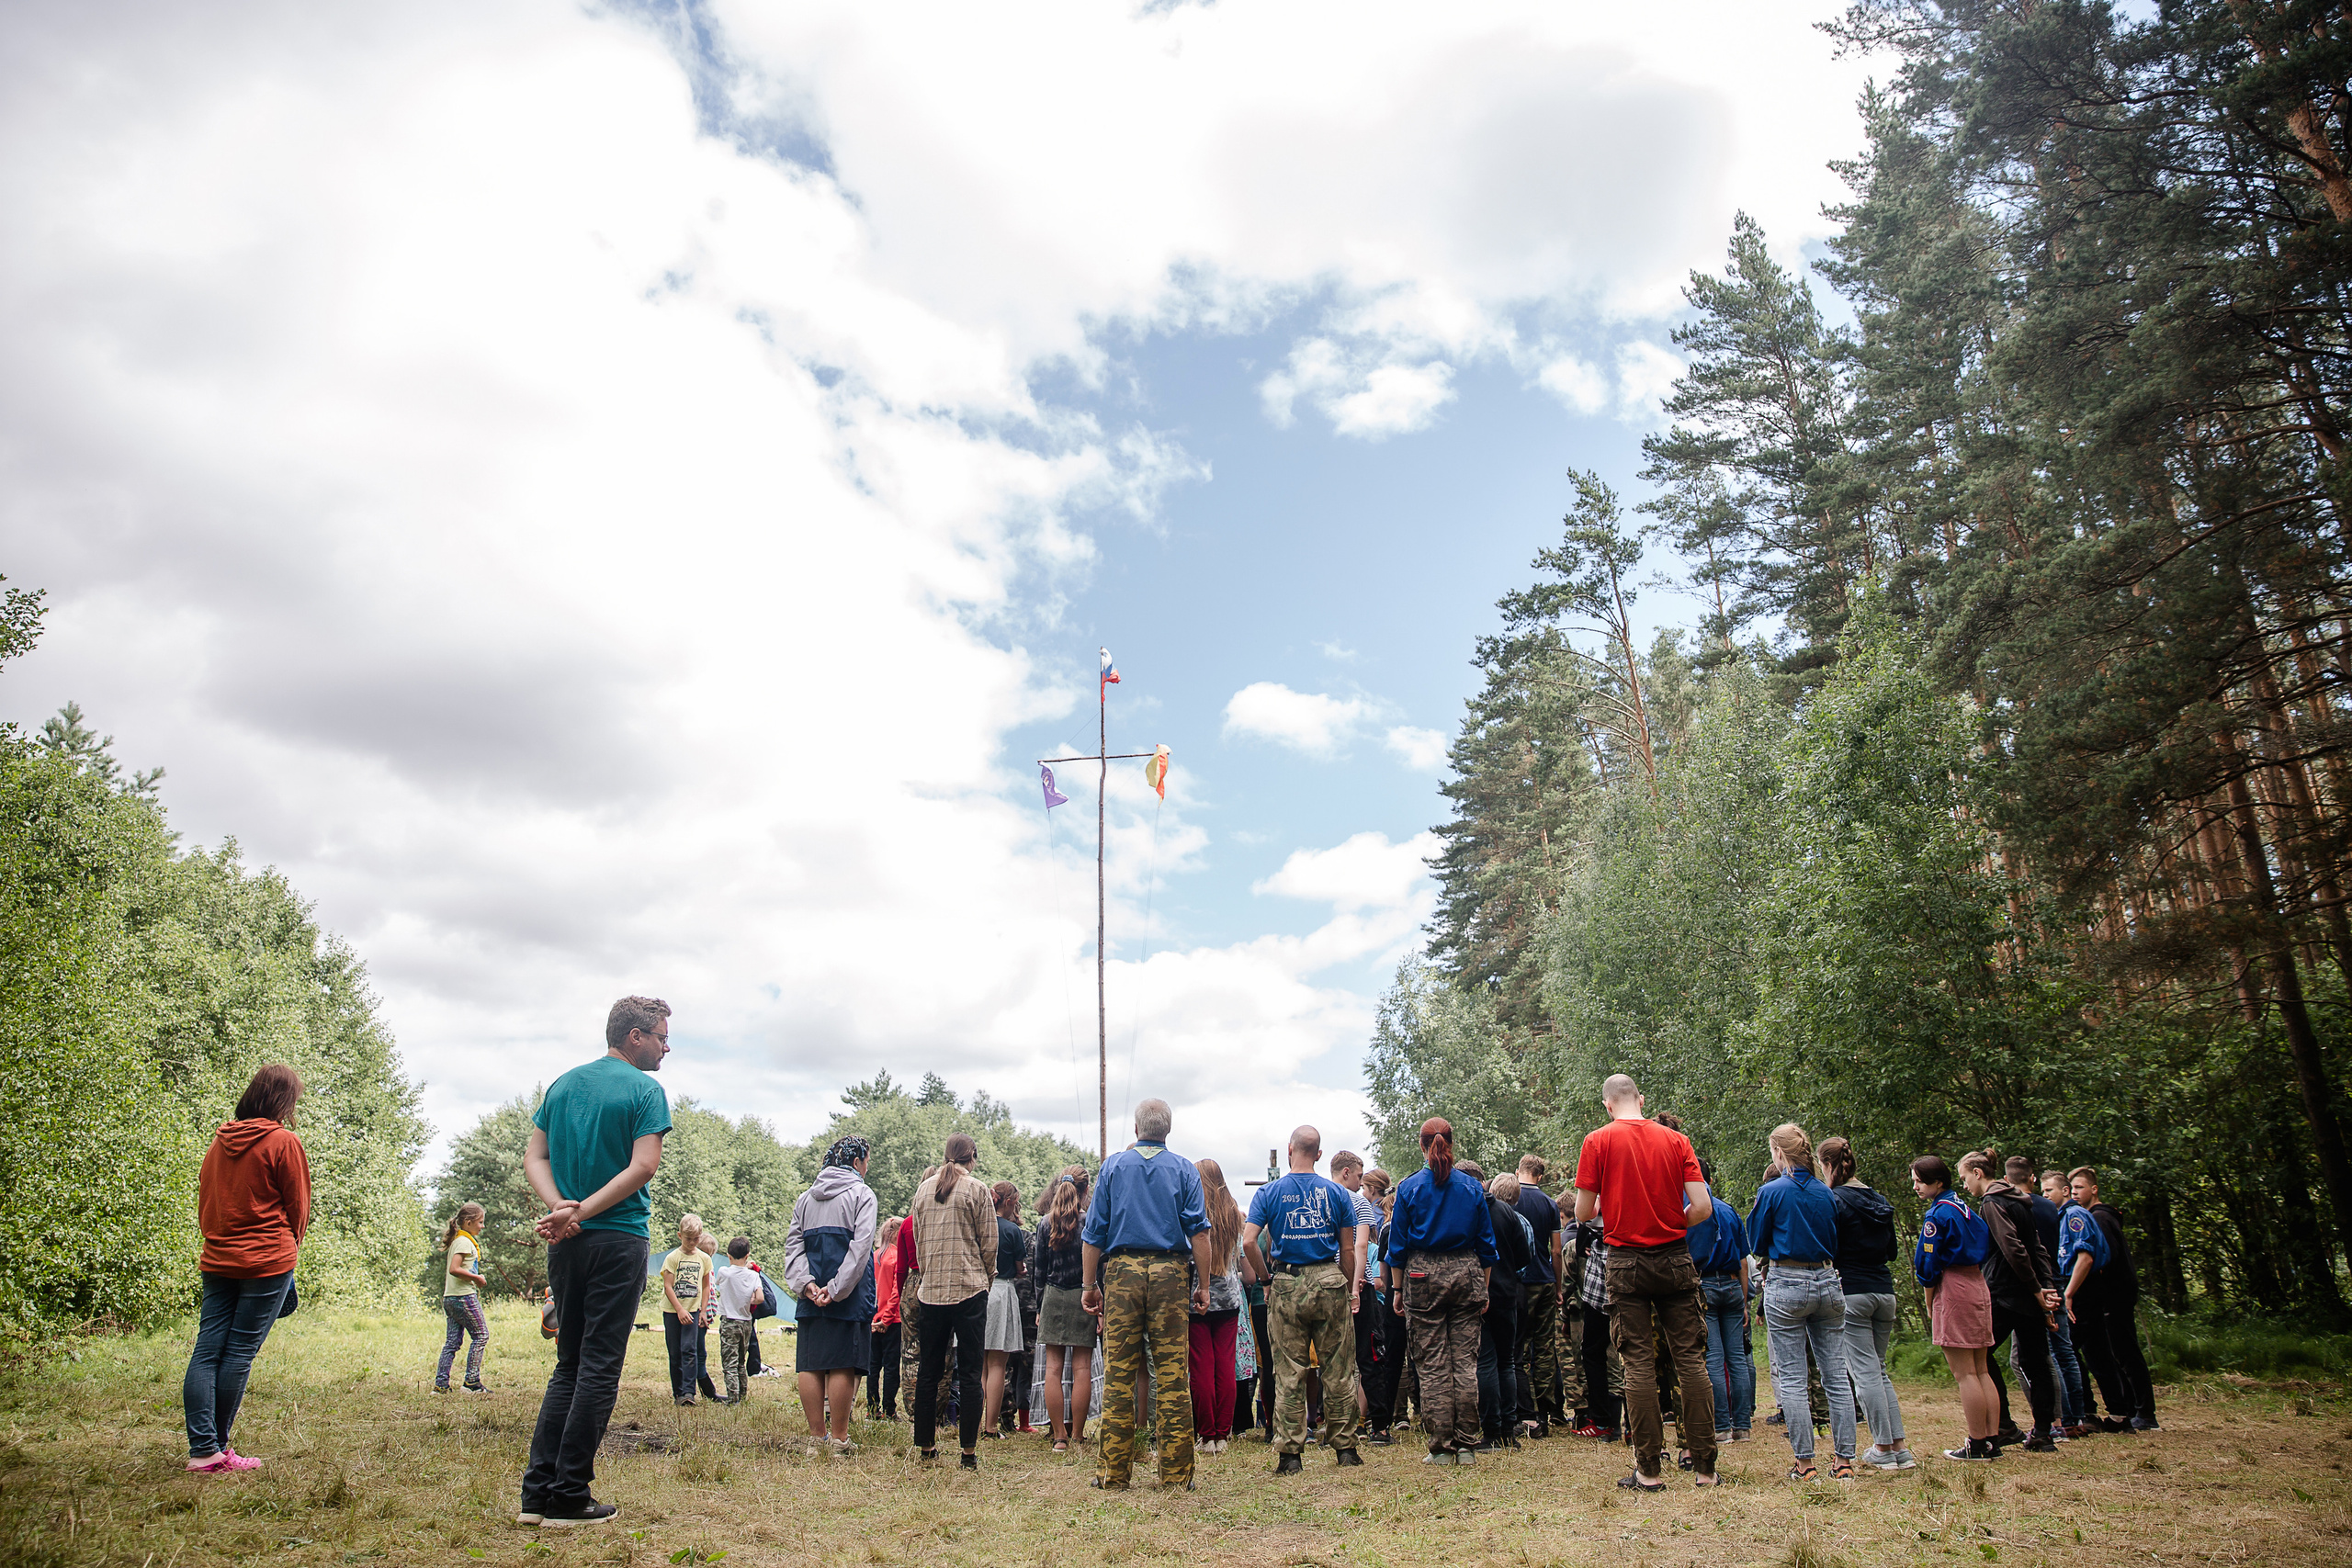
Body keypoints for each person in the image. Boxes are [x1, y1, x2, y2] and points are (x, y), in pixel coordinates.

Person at [520, 996, 673, 1527]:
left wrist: (560, 1211)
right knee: (600, 1366)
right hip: (617, 1238)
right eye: (660, 1035)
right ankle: (569, 1498)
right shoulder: (646, 1090)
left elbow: (534, 1157)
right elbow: (644, 1165)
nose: (666, 1046)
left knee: (569, 1362)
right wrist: (579, 1210)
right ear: (635, 1036)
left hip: (566, 1241)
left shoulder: (562, 1085)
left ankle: (536, 1495)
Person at [1573, 1076, 1717, 1492]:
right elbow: (1703, 1206)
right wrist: (1673, 1222)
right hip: (1674, 1257)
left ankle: (1649, 1471)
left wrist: (1611, 1207)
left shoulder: (1597, 1142)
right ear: (1640, 1099)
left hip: (1625, 1261)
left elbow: (1583, 1212)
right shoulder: (1676, 1141)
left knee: (1636, 1362)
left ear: (1607, 1105)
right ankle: (1705, 1468)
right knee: (1690, 1358)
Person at [1082, 1099, 1216, 1491]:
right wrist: (1203, 1285)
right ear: (1167, 1130)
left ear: (1137, 1128)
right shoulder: (1183, 1169)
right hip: (1171, 1274)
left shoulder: (1112, 1167)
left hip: (1121, 1272)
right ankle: (1176, 1475)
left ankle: (1113, 1474)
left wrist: (1091, 1286)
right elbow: (1201, 1233)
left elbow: (1094, 1233)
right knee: (1173, 1373)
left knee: (1120, 1374)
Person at [184, 1065, 311, 1474]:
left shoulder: (218, 1142)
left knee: (207, 1349)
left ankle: (203, 1450)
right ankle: (218, 1449)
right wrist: (288, 1249)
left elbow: (206, 1200)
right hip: (267, 1260)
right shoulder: (283, 1141)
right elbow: (298, 1207)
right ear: (283, 1100)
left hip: (218, 1257)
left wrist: (218, 1239)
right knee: (238, 1352)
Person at [1241, 1126, 1363, 1474]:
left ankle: (1290, 1455)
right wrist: (1347, 1285)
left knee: (1289, 1371)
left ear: (1290, 1149)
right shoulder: (1337, 1194)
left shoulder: (1269, 1193)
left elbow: (1250, 1242)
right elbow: (1346, 1248)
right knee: (1338, 1368)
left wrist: (1266, 1278)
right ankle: (1345, 1449)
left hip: (1287, 1281)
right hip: (1329, 1278)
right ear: (1320, 1155)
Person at [1387, 1117, 1498, 1465]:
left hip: (1422, 1277)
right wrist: (1484, 1288)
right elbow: (1487, 1247)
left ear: (1422, 1145)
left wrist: (1397, 1290)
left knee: (1432, 1363)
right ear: (1452, 1142)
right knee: (1465, 1362)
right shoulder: (1472, 1189)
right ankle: (1466, 1444)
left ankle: (1441, 1447)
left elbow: (1398, 1248)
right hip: (1466, 1273)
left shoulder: (1407, 1189)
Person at [1747, 1124, 1853, 1480]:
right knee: (1835, 1375)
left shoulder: (1772, 1192)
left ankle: (1805, 1463)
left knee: (1792, 1377)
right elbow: (1836, 1240)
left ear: (1779, 1153)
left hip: (1787, 1281)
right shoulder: (1827, 1193)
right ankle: (1844, 1462)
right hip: (1826, 1280)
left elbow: (1758, 1243)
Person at [1819, 1137, 1912, 1470]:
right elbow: (1892, 1252)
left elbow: (1828, 1244)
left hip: (1853, 1290)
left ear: (1828, 1166)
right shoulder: (1878, 1199)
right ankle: (1899, 1446)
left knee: (1864, 1372)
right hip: (1884, 1291)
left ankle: (1884, 1448)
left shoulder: (1834, 1201)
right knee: (1879, 1369)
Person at [1962, 1149, 2061, 1452]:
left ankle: (2004, 1426)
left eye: (1964, 1177)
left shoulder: (1993, 1202)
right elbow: (2038, 1248)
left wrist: (2036, 1290)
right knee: (2036, 1362)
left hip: (2006, 1294)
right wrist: (2045, 1288)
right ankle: (2042, 1432)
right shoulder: (2020, 1199)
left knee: (1980, 1357)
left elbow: (2015, 1249)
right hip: (2029, 1295)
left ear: (1978, 1173)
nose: (1964, 1185)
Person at [786, 1135, 877, 1453]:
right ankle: (839, 1439)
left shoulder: (805, 1199)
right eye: (867, 1161)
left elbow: (793, 1246)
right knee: (842, 1363)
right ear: (856, 1163)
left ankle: (816, 1439)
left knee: (810, 1363)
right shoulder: (862, 1194)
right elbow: (861, 1247)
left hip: (810, 1294)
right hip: (847, 1293)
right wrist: (837, 1288)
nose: (867, 1167)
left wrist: (807, 1285)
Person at [910, 1135, 995, 1469]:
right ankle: (968, 1453)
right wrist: (985, 1279)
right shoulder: (977, 1189)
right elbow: (989, 1242)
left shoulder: (923, 1190)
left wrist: (931, 1273)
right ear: (971, 1157)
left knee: (929, 1371)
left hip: (931, 1292)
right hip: (969, 1289)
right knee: (972, 1372)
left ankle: (927, 1447)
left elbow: (919, 1243)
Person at [1911, 1154, 1998, 1461]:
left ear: (1938, 1182)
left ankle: (1976, 1443)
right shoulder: (1967, 1209)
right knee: (1981, 1368)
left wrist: (1930, 1298)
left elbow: (1928, 1263)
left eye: (1920, 1181)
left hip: (1955, 1287)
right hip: (1978, 1283)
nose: (1916, 1187)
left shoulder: (1939, 1215)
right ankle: (1991, 1439)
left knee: (1965, 1374)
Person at [2064, 1167, 2159, 1432]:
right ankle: (2129, 1410)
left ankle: (2145, 1413)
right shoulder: (2090, 1216)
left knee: (2125, 1352)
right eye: (2072, 1189)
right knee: (2110, 1354)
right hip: (2107, 1296)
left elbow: (2101, 1259)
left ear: (2094, 1189)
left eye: (2080, 1187)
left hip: (2115, 1295)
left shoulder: (2101, 1218)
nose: (2076, 1193)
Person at [1684, 1158, 1753, 1445]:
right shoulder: (1729, 1211)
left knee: (1713, 1355)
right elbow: (1742, 1262)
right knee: (1736, 1357)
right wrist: (1745, 1299)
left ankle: (1722, 1425)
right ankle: (1743, 1426)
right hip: (1733, 1285)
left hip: (1705, 1284)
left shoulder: (1692, 1213)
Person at [1185, 1158, 1249, 1455]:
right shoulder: (1234, 1214)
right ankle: (1223, 1434)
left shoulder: (1192, 1214)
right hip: (1230, 1299)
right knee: (1225, 1365)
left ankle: (1206, 1434)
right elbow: (1239, 1254)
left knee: (1200, 1368)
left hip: (1197, 1298)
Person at [2025, 1164, 2091, 1438]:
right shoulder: (2057, 1213)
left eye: (2050, 1190)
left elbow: (2084, 1254)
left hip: (2057, 1284)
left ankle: (2068, 1418)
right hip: (2059, 1283)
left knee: (2060, 1353)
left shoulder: (2071, 1214)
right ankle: (2075, 1416)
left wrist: (2068, 1293)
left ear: (2064, 1191)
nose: (2046, 1195)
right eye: (2043, 1190)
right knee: (2064, 1352)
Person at [1035, 1168, 1096, 1451]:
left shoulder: (1045, 1224)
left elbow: (1039, 1271)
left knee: (1053, 1369)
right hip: (1084, 1297)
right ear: (1084, 1192)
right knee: (1083, 1368)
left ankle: (1059, 1435)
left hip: (1053, 1297)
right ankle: (1079, 1435)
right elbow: (1099, 1266)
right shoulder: (1090, 1223)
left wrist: (1039, 1306)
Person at [1476, 1169, 1532, 1452]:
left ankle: (1492, 1430)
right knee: (1507, 1361)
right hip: (1509, 1293)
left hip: (1481, 1295)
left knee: (1485, 1361)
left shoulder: (1472, 1213)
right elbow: (1525, 1255)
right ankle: (1509, 1430)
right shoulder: (1508, 1213)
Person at [1511, 1155, 1564, 1438]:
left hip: (1519, 1281)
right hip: (1544, 1278)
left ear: (1519, 1171)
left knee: (1517, 1347)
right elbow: (1556, 1250)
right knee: (1544, 1349)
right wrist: (1558, 1287)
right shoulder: (1550, 1204)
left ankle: (1523, 1410)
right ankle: (1544, 1414)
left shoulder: (1510, 1199)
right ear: (1540, 1177)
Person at [1329, 1151, 1381, 1433]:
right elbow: (1359, 1246)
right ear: (1346, 1172)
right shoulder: (1359, 1202)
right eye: (1360, 1176)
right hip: (1359, 1282)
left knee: (1336, 1357)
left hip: (1330, 1280)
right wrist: (1356, 1284)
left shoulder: (1321, 1198)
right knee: (1367, 1354)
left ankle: (1338, 1421)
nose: (1362, 1184)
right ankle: (1376, 1425)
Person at [979, 1180, 1030, 1440]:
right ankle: (990, 1427)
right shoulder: (1012, 1230)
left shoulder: (980, 1224)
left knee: (981, 1364)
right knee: (998, 1363)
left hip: (979, 1290)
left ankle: (976, 1422)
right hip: (1002, 1290)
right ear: (1009, 1202)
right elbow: (1021, 1267)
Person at [1358, 1168, 1404, 1444]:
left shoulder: (1384, 1226)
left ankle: (1380, 1420)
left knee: (1382, 1360)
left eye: (1365, 1187)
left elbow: (1383, 1272)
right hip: (1394, 1296)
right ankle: (1386, 1420)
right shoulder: (1388, 1224)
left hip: (1386, 1300)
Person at [660, 1217, 718, 1406]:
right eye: (688, 1239)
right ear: (680, 1236)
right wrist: (679, 1310)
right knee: (675, 1352)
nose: (692, 1243)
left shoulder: (704, 1258)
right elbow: (668, 1286)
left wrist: (702, 1311)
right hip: (673, 1311)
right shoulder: (673, 1258)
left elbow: (707, 1286)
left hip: (693, 1311)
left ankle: (688, 1393)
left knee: (690, 1350)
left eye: (696, 1239)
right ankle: (678, 1392)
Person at [436, 1201, 492, 1394]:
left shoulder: (458, 1240)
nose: (482, 1226)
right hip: (463, 1297)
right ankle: (471, 1383)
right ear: (468, 1222)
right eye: (480, 1222)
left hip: (450, 1298)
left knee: (452, 1342)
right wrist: (477, 1278)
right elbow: (455, 1269)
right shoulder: (463, 1242)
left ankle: (441, 1385)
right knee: (481, 1335)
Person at [713, 1236, 763, 1405]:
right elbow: (760, 1298)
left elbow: (717, 1283)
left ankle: (733, 1399)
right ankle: (742, 1396)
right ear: (747, 1255)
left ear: (728, 1256)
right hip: (746, 1322)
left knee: (729, 1363)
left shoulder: (724, 1272)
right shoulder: (753, 1276)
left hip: (729, 1322)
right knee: (741, 1362)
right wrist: (749, 1302)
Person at [869, 1216, 902, 1420]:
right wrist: (888, 1317)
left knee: (873, 1366)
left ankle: (872, 1409)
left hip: (873, 1319)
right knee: (891, 1367)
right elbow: (896, 1291)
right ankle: (890, 1409)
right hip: (892, 1320)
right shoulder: (898, 1257)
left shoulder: (873, 1256)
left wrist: (875, 1317)